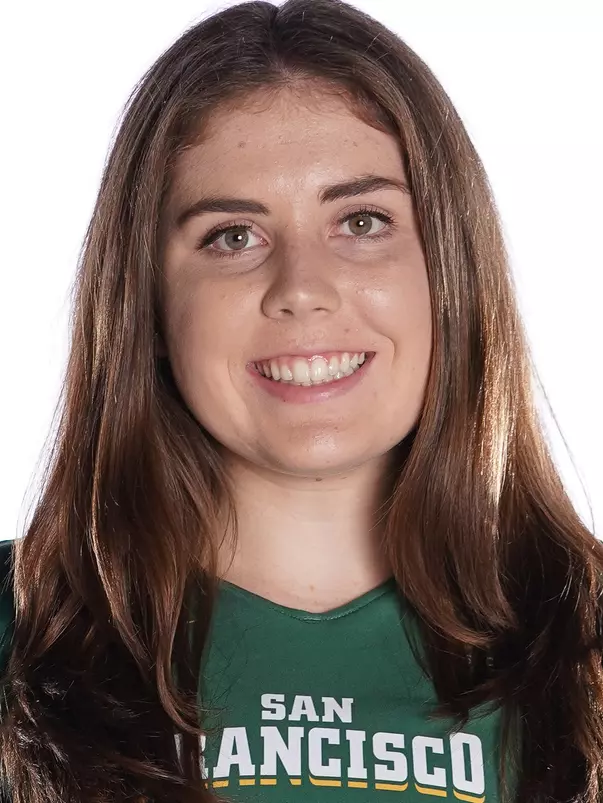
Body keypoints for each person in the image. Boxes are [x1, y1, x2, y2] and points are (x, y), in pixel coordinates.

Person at [1, 0, 602, 801]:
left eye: (361, 220)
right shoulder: (18, 638)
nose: (302, 290)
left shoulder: (583, 648)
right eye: (231, 237)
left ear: (451, 273)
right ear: (145, 304)